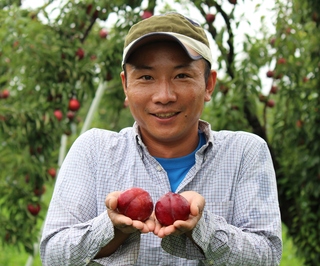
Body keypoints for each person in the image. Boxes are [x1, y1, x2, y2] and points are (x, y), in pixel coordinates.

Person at [40, 12, 282, 265]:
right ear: (126, 86)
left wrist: (203, 227)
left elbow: (267, 256)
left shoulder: (245, 152)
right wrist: (112, 229)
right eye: (146, 77)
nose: (164, 96)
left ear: (209, 84)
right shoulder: (94, 150)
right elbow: (53, 255)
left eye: (181, 76)